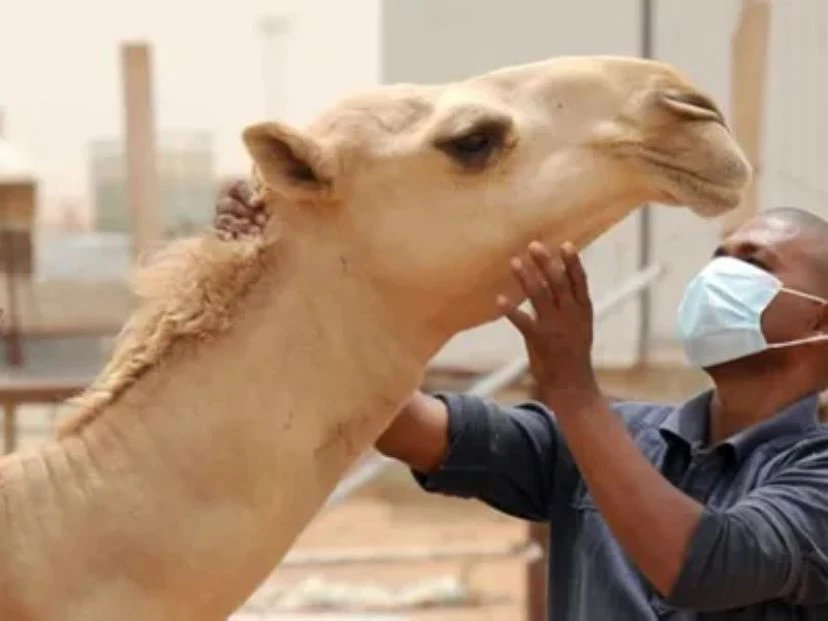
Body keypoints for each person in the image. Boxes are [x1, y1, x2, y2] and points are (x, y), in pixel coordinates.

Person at [214, 183, 828, 619]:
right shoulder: (611, 438)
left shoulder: (814, 474)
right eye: (719, 258)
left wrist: (573, 390)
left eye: (755, 263)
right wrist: (290, 284)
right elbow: (402, 423)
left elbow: (705, 565)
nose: (720, 275)